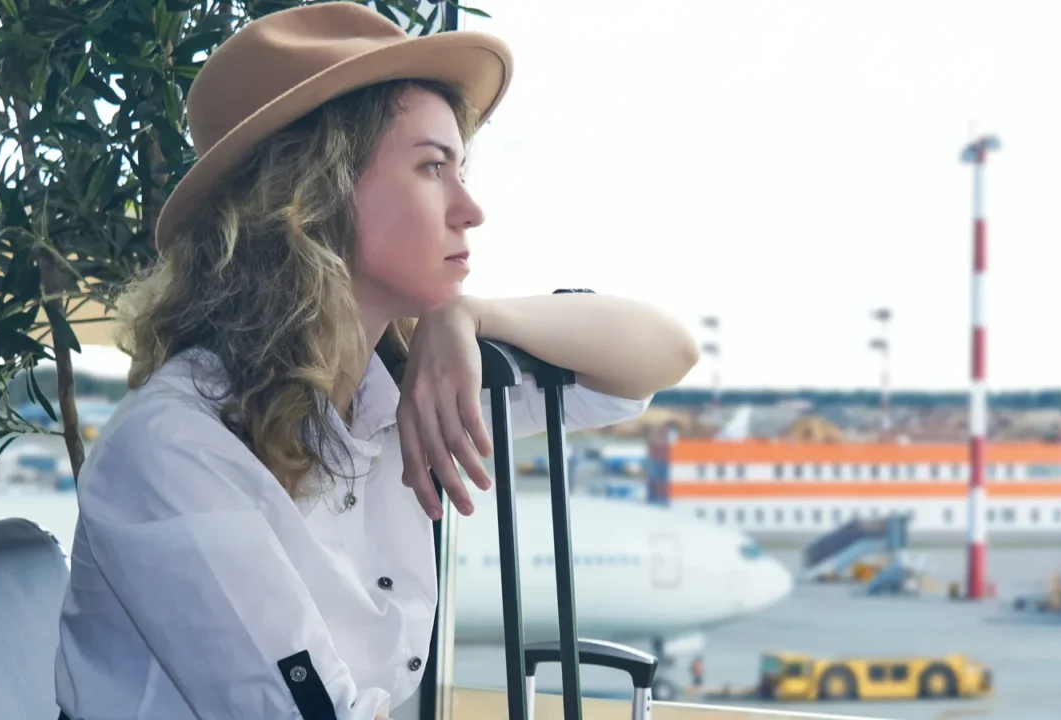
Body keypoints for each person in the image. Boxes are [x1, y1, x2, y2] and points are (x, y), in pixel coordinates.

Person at [52, 3, 700, 720]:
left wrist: (470, 315)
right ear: (312, 195)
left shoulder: (400, 391)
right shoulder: (175, 447)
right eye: (432, 168)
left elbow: (660, 351)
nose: (471, 208)